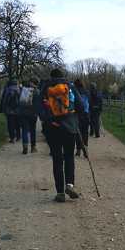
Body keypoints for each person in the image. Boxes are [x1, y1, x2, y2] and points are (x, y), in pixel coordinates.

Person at [40, 68, 84, 202]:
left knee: (57, 159)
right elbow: (81, 106)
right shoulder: (70, 87)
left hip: (52, 128)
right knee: (69, 156)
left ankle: (60, 192)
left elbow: (39, 108)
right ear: (63, 76)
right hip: (69, 127)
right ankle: (69, 185)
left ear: (51, 77)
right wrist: (75, 117)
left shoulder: (45, 88)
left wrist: (48, 120)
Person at [18, 78, 39, 154]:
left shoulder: (23, 90)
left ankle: (25, 147)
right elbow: (38, 104)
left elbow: (19, 101)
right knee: (33, 130)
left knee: (24, 130)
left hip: (23, 113)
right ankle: (33, 147)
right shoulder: (37, 91)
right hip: (33, 114)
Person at [74, 79, 90, 157]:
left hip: (78, 114)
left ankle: (78, 150)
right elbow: (89, 103)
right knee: (85, 133)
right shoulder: (87, 92)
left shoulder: (75, 92)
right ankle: (85, 150)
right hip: (86, 114)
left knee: (78, 132)